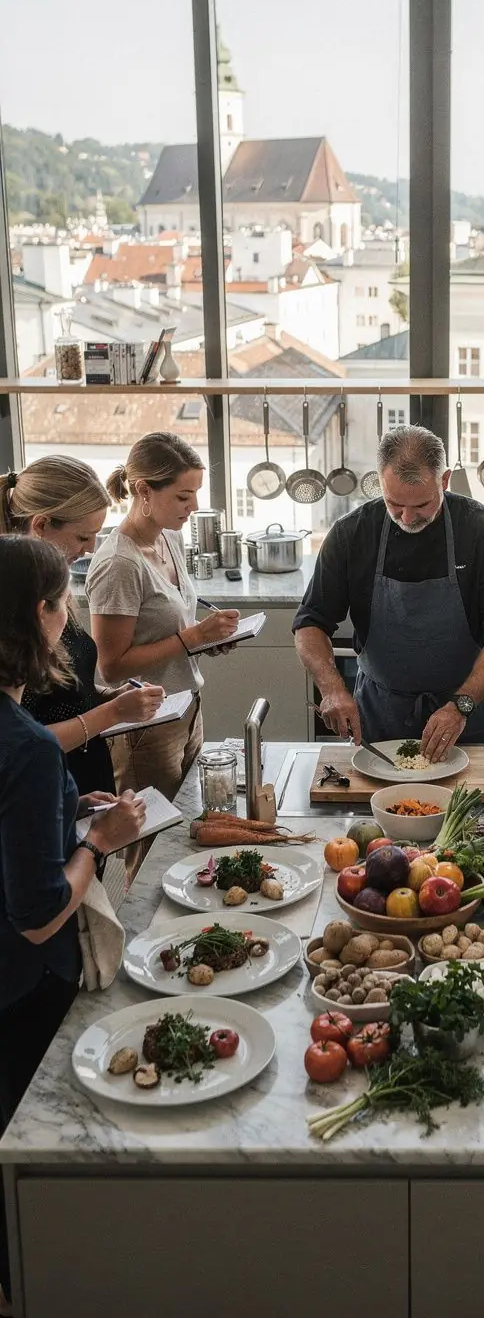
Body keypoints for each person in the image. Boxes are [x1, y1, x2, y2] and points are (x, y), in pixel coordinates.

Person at [0, 536, 144, 1312]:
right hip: (23, 984)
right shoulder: (22, 746)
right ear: (41, 617)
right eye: (66, 604)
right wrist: (97, 840)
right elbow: (37, 915)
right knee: (34, 1161)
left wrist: (67, 810)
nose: (73, 617)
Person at [293, 425, 484, 756]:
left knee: (470, 806)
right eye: (394, 503)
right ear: (381, 480)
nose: (407, 516)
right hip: (379, 713)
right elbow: (310, 623)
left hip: (463, 711)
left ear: (443, 481)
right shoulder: (351, 533)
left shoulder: (483, 529)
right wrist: (331, 689)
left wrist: (461, 706)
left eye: (422, 505)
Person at [86, 433, 239, 808]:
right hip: (145, 725)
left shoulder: (169, 538)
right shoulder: (118, 564)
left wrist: (207, 639)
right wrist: (191, 638)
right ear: (144, 491)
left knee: (187, 822)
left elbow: (169, 630)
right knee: (150, 838)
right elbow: (111, 666)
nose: (195, 505)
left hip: (186, 707)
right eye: (183, 496)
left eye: (196, 493)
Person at [0, 458, 165, 797]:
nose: (90, 548)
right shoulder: (13, 609)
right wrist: (113, 712)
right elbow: (20, 738)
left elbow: (63, 689)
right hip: (41, 789)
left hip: (81, 781)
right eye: (82, 536)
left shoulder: (50, 588)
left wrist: (110, 696)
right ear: (41, 525)